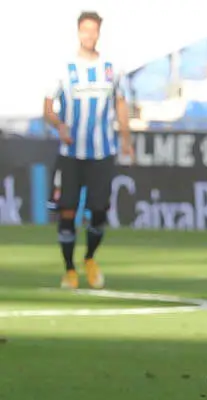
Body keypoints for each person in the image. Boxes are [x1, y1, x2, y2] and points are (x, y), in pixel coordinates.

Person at [44, 11, 134, 290]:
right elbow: (47, 108)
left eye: (93, 30)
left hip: (101, 152)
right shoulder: (63, 68)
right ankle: (69, 269)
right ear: (78, 32)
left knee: (99, 210)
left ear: (99, 33)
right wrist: (59, 124)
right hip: (70, 153)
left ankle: (90, 258)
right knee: (67, 210)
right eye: (85, 30)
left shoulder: (112, 68)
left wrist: (126, 139)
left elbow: (120, 103)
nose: (89, 35)